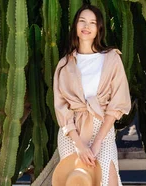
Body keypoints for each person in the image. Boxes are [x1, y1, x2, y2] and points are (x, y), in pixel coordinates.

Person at [53, 4, 131, 186]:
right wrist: (79, 145)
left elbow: (117, 103)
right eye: (82, 21)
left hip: (101, 129)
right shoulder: (64, 64)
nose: (86, 26)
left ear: (99, 29)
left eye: (92, 23)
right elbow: (61, 108)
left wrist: (96, 144)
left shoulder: (111, 58)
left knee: (108, 180)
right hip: (72, 133)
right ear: (76, 27)